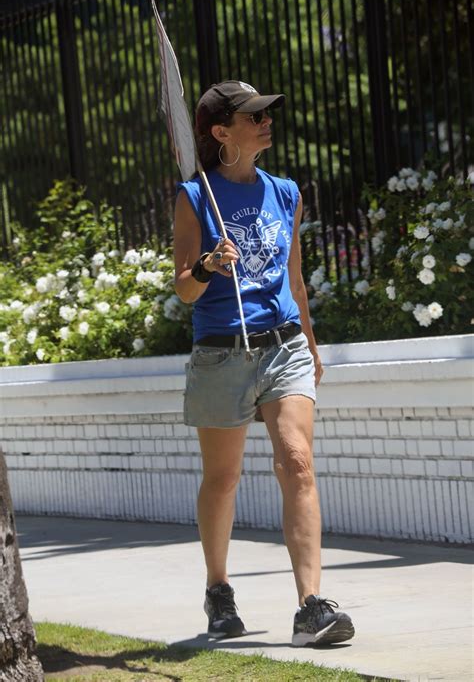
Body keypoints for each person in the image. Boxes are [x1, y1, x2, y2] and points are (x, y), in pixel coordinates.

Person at [173, 80, 354, 647]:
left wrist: (311, 339)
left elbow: (294, 277)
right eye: (253, 116)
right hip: (221, 351)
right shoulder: (194, 196)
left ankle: (310, 607)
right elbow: (183, 289)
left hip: (283, 345)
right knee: (223, 479)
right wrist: (206, 265)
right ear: (222, 132)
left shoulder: (285, 191)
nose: (266, 121)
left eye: (266, 113)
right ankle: (219, 590)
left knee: (296, 463)